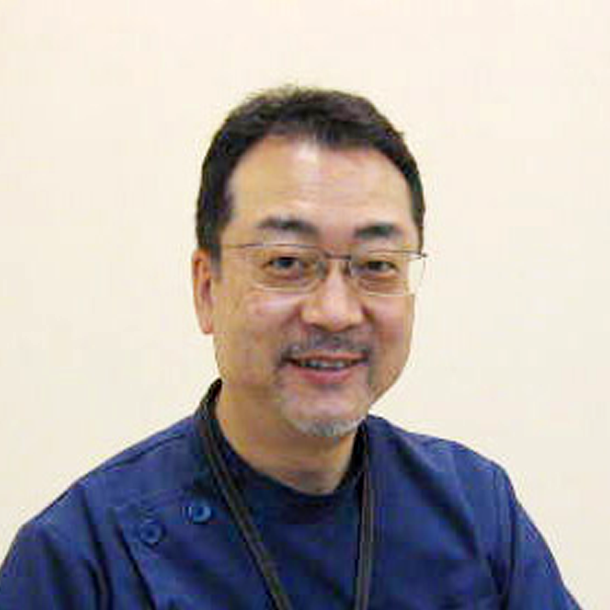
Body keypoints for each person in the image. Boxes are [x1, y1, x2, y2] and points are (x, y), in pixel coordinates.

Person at [0, 87, 580, 609]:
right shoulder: (81, 559)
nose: (335, 311)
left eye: (377, 265)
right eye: (286, 262)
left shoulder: (475, 510)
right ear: (207, 289)